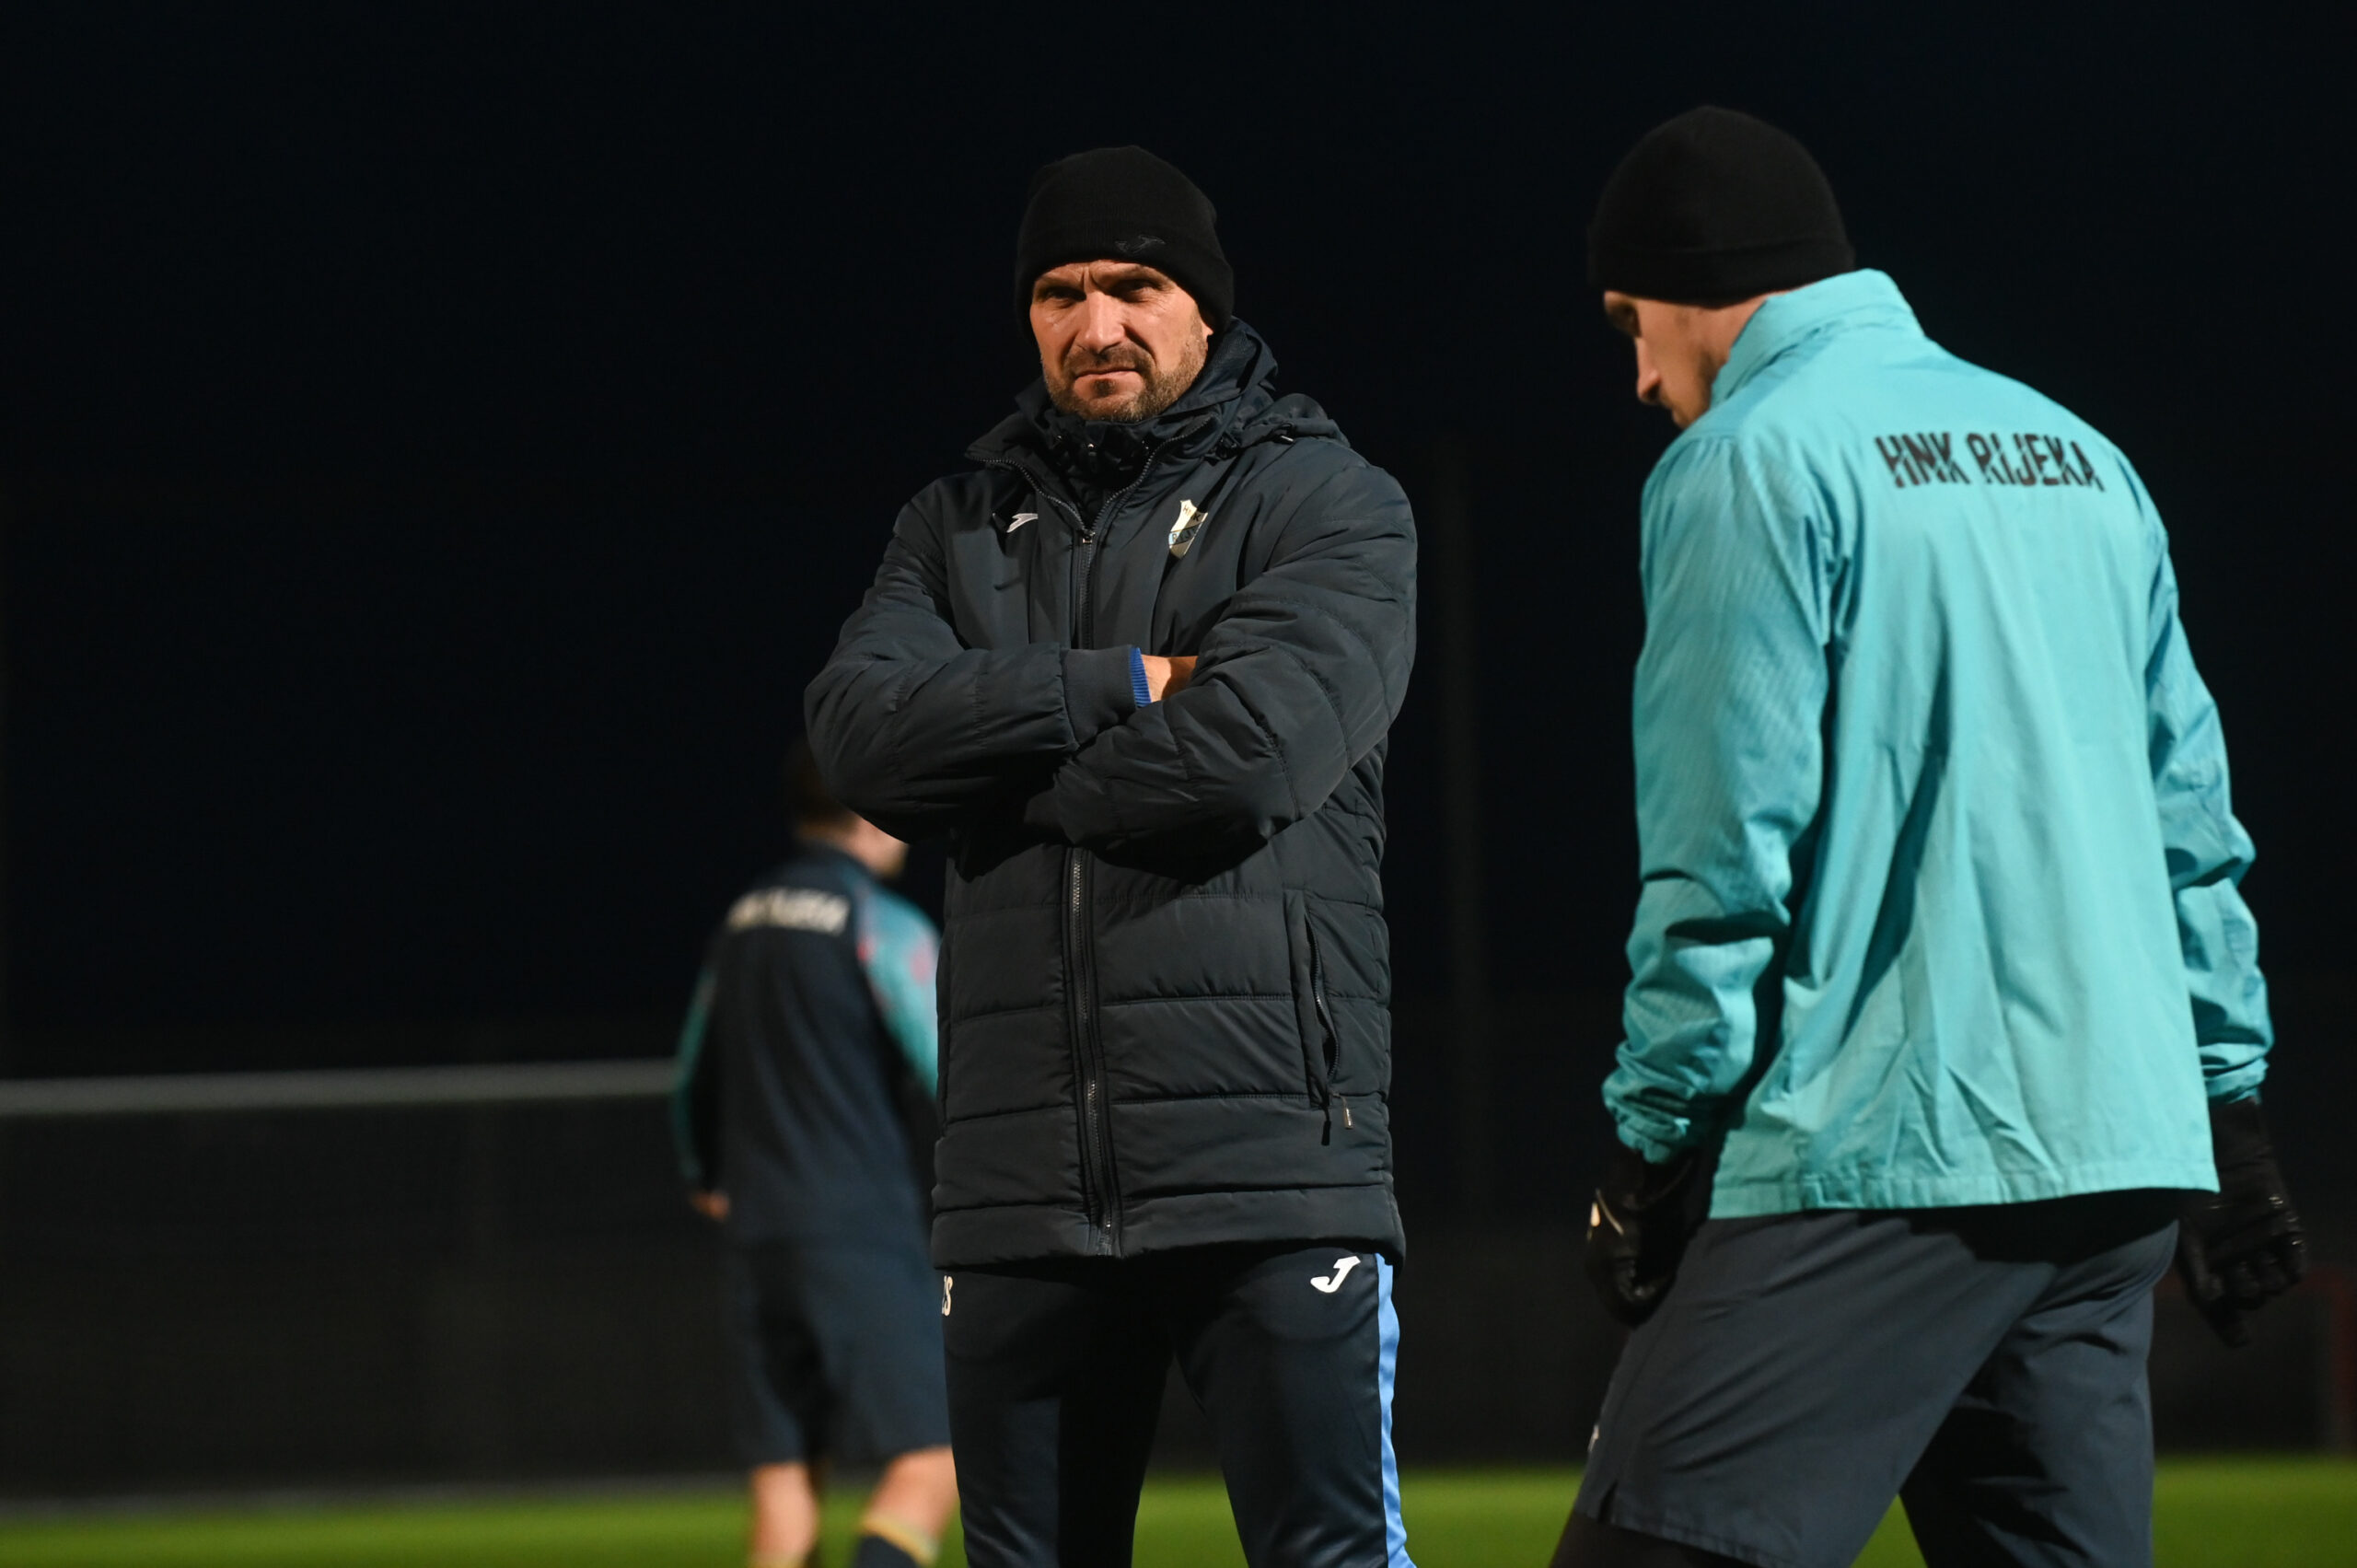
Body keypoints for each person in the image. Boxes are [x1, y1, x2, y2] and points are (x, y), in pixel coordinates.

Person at [1555, 108, 2307, 1568]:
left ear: (1698, 284)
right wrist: (2232, 1104)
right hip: (2117, 1159)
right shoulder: (2082, 457)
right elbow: (2190, 819)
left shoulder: (1747, 462)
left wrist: (1651, 1140)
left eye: (1632, 322)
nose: (1640, 374)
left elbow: (1722, 857)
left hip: (1889, 1149)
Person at [805, 145, 1418, 1568]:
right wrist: (1120, 681)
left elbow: (1248, 755)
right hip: (1016, 1189)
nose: (1098, 325)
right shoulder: (953, 524)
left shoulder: (1327, 500)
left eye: (1136, 287)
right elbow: (860, 741)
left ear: (1203, 306)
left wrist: (998, 773)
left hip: (1270, 1169)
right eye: (1062, 293)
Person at [672, 744, 958, 1568]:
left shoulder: (741, 922)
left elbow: (692, 1071)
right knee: (937, 1457)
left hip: (757, 1231)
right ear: (868, 810)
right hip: (858, 1227)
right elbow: (953, 1066)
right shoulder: (877, 922)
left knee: (785, 1481)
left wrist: (703, 1173)